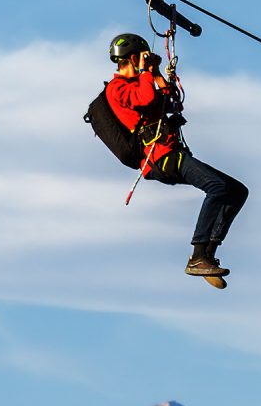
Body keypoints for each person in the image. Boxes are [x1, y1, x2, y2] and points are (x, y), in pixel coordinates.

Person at [105, 33, 249, 284]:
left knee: (237, 190)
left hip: (172, 152)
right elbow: (146, 99)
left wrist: (158, 74)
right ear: (132, 58)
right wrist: (146, 73)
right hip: (160, 158)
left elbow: (172, 102)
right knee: (216, 187)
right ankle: (197, 255)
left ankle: (206, 254)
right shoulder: (117, 88)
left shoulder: (143, 80)